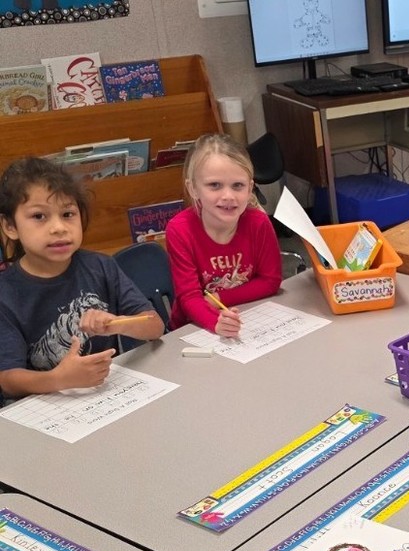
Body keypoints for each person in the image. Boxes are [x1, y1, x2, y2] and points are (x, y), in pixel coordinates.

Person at [0, 156, 164, 404]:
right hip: (42, 407)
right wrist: (59, 379)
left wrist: (119, 323)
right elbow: (9, 380)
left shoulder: (101, 266)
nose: (58, 228)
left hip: (103, 398)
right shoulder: (6, 293)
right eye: (39, 217)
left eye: (68, 214)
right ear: (10, 226)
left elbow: (154, 326)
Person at [165, 133, 282, 337]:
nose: (228, 196)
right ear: (193, 189)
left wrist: (218, 297)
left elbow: (270, 281)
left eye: (238, 186)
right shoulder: (180, 230)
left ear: (250, 188)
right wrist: (216, 322)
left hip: (249, 318)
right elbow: (189, 298)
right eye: (214, 185)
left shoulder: (259, 223)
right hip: (191, 329)